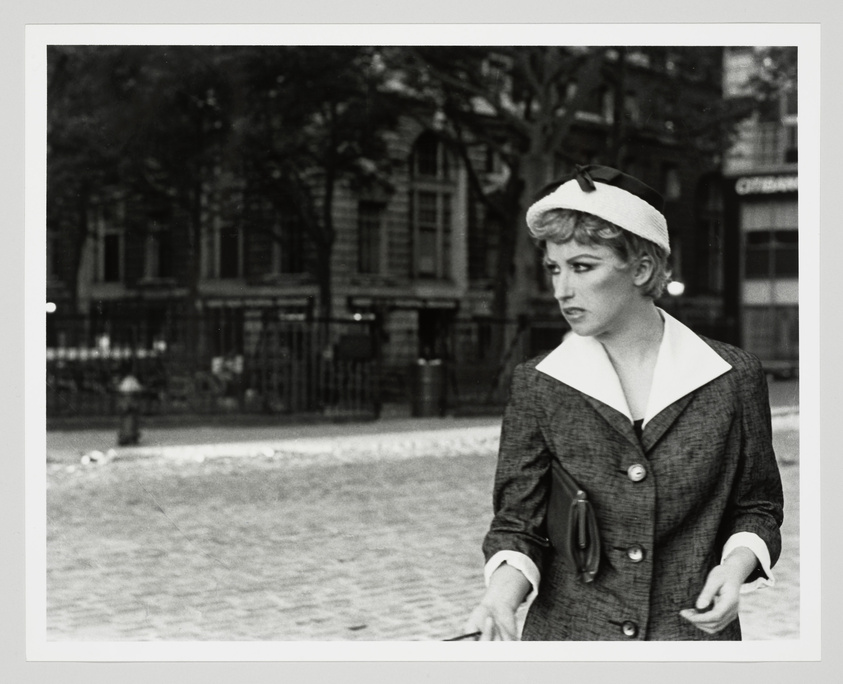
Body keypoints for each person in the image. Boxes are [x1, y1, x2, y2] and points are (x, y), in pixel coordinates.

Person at [465, 165, 784, 641]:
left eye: (582, 266)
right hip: (571, 640)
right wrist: (501, 596)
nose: (561, 289)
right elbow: (519, 524)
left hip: (691, 641)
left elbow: (756, 506)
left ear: (641, 269)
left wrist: (735, 568)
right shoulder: (540, 383)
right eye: (554, 268)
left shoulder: (731, 377)